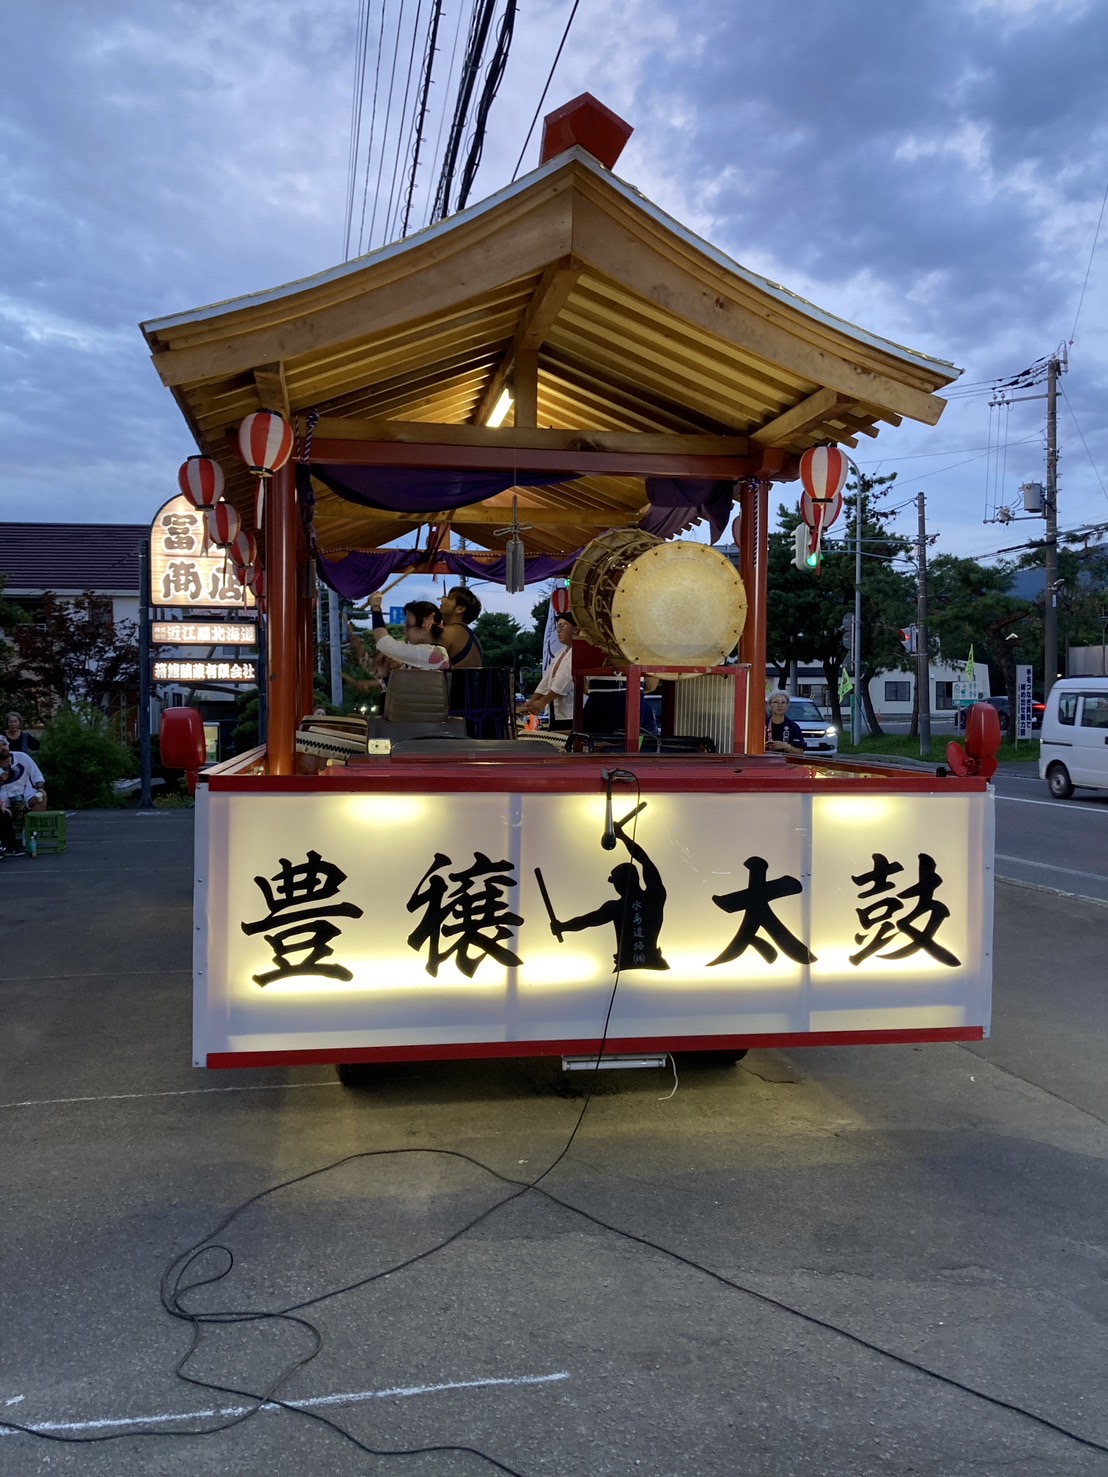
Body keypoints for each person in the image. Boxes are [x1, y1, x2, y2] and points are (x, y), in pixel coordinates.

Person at [517, 611, 576, 730]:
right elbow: (546, 682)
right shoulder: (560, 653)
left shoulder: (577, 652)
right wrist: (533, 700)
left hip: (572, 713)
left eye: (562, 626)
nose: (558, 630)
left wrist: (542, 702)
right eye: (557, 626)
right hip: (556, 712)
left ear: (575, 629)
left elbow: (563, 681)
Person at [366, 594, 450, 671]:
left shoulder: (427, 652)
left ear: (425, 626)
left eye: (408, 624)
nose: (404, 630)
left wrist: (376, 608)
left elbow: (384, 644)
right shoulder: (435, 652)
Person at [439, 586, 485, 668]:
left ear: (460, 609)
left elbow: (428, 663)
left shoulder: (449, 632)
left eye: (449, 598)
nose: (442, 600)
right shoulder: (474, 637)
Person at [765, 690, 807, 755]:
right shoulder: (762, 725)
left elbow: (800, 752)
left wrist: (787, 747)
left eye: (783, 702)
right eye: (776, 702)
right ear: (769, 705)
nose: (780, 705)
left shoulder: (793, 727)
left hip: (787, 763)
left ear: (787, 705)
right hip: (765, 763)